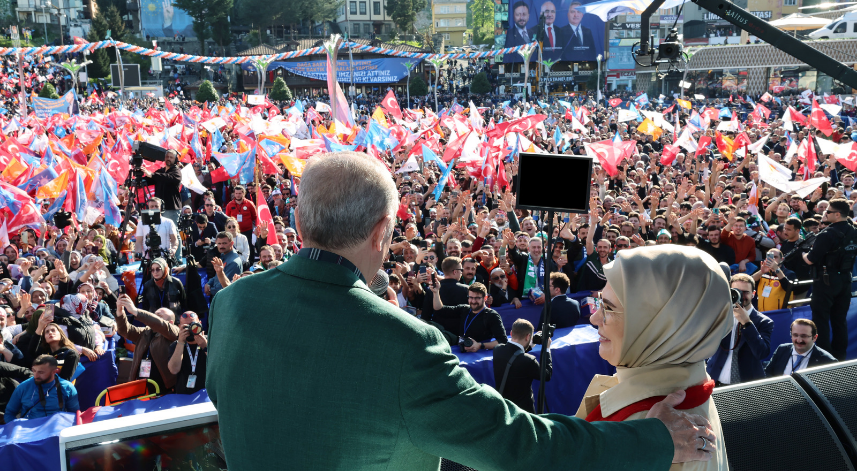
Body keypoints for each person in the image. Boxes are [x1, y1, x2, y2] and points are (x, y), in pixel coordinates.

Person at [206, 151, 717, 470]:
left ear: (297, 219)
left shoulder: (230, 305)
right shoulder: (404, 345)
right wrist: (651, 440)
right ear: (384, 232)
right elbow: (519, 448)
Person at [579, 245, 729, 470]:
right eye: (600, 302)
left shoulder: (647, 424)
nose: (595, 318)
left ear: (660, 324)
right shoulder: (692, 388)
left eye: (608, 308)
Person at [802, 198, 857, 361]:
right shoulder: (854, 231)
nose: (824, 214)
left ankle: (823, 358)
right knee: (840, 321)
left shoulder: (827, 234)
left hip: (826, 281)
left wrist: (803, 254)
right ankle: (840, 356)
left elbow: (810, 259)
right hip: (845, 280)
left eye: (828, 212)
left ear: (837, 215)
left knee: (821, 320)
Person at [706, 273, 774, 386]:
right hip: (715, 381)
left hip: (746, 386)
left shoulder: (764, 322)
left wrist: (747, 323)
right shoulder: (719, 315)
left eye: (746, 292)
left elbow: (762, 353)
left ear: (753, 294)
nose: (741, 295)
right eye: (736, 291)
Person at [115, 294, 181, 394]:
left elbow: (160, 324)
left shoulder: (174, 331)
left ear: (170, 322)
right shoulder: (145, 332)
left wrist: (136, 311)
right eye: (153, 314)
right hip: (141, 384)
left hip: (163, 386)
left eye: (158, 316)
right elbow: (125, 330)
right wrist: (120, 310)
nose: (153, 317)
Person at [492, 318, 551, 413]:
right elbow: (546, 375)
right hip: (524, 413)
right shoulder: (529, 361)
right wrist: (547, 349)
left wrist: (529, 346)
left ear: (511, 333)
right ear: (528, 337)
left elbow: (513, 356)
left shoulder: (497, 350)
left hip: (505, 409)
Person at [430, 281, 507, 352]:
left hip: (480, 354)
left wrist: (480, 345)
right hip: (462, 347)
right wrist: (436, 292)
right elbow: (439, 309)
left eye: (477, 298)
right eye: (471, 297)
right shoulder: (465, 309)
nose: (473, 301)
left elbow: (503, 341)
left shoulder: (492, 315)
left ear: (485, 298)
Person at [4, 355, 79, 423]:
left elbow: (74, 414)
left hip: (56, 430)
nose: (36, 376)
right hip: (29, 431)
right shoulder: (23, 387)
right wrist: (17, 430)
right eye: (34, 370)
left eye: (41, 372)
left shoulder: (67, 387)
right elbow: (9, 413)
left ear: (54, 372)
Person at [765, 319, 837, 377]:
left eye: (804, 336)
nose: (799, 340)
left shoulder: (827, 361)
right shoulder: (782, 350)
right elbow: (767, 374)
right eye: (795, 335)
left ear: (814, 338)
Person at [421, 256, 469, 336]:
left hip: (439, 334)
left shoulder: (431, 290)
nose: (461, 273)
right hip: (460, 335)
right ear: (455, 272)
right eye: (461, 270)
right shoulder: (466, 290)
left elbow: (425, 317)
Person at [28, 315, 80, 381]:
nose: (50, 333)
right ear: (45, 338)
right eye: (47, 332)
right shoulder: (43, 353)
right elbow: (31, 351)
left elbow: (65, 379)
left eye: (53, 330)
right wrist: (40, 328)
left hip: (60, 389)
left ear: (61, 334)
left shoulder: (71, 354)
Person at [167, 311, 208, 394]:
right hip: (183, 394)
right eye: (186, 327)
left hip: (206, 393)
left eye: (193, 325)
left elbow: (219, 366)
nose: (190, 329)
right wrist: (181, 342)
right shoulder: (176, 345)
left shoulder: (210, 341)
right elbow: (173, 370)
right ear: (179, 327)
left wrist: (205, 347)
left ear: (200, 323)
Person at [144, 149, 183, 224]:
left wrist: (152, 175)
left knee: (172, 231)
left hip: (171, 207)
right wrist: (141, 176)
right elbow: (150, 179)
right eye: (167, 157)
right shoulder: (160, 171)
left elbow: (168, 177)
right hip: (158, 207)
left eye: (171, 157)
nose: (168, 158)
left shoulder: (176, 171)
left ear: (175, 160)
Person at [225, 186, 258, 263]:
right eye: (236, 193)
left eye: (240, 193)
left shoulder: (249, 204)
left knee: (249, 247)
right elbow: (227, 218)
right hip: (234, 232)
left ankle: (250, 263)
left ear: (243, 193)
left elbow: (254, 216)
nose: (238, 195)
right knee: (236, 247)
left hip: (247, 230)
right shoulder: (230, 205)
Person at [205, 232, 243, 298]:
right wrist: (209, 283)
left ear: (231, 243)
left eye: (224, 243)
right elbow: (218, 275)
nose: (221, 246)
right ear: (216, 243)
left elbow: (225, 286)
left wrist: (210, 290)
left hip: (224, 298)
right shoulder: (224, 254)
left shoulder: (233, 262)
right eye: (219, 243)